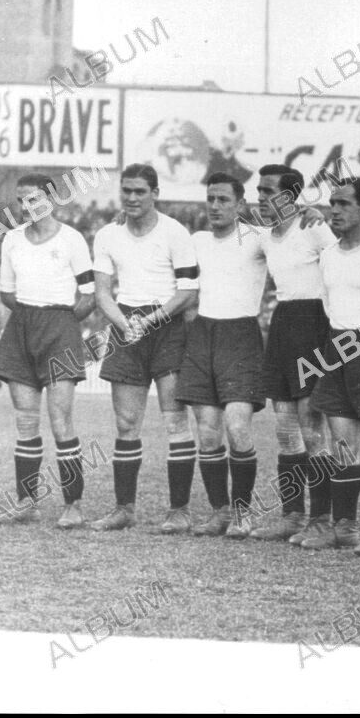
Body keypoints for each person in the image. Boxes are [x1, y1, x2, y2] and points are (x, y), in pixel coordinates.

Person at [90, 163, 200, 532]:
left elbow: (187, 291)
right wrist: (124, 324)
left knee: (174, 420)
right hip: (126, 325)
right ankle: (125, 508)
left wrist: (149, 321)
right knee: (126, 422)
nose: (132, 198)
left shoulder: (175, 232)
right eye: (127, 191)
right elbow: (102, 292)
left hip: (166, 325)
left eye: (140, 191)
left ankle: (180, 511)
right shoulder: (107, 235)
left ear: (155, 193)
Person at [0, 174, 96, 528]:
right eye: (21, 201)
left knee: (61, 418)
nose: (27, 207)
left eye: (34, 199)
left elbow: (89, 296)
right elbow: (6, 292)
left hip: (60, 327)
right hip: (21, 325)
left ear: (51, 199)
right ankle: (27, 502)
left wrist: (61, 321)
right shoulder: (13, 240)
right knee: (25, 420)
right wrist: (31, 315)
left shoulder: (72, 239)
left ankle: (73, 505)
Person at [247, 165, 338, 543]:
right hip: (283, 322)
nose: (262, 197)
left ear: (292, 195)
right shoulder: (265, 236)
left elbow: (344, 255)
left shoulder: (314, 227)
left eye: (270, 191)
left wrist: (324, 214)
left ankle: (321, 519)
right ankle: (292, 515)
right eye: (260, 190)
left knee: (312, 426)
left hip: (315, 321)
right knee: (285, 426)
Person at [303, 177, 360, 551]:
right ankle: (344, 526)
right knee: (342, 444)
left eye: (342, 204)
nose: (334, 210)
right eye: (331, 203)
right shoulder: (328, 255)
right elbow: (328, 304)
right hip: (336, 346)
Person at [177, 172, 267, 539]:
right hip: (203, 333)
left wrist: (312, 220)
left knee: (238, 425)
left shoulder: (259, 240)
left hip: (241, 334)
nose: (215, 206)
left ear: (241, 204)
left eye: (223, 200)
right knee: (208, 430)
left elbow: (299, 244)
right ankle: (220, 512)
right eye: (210, 199)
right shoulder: (195, 241)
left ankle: (243, 513)